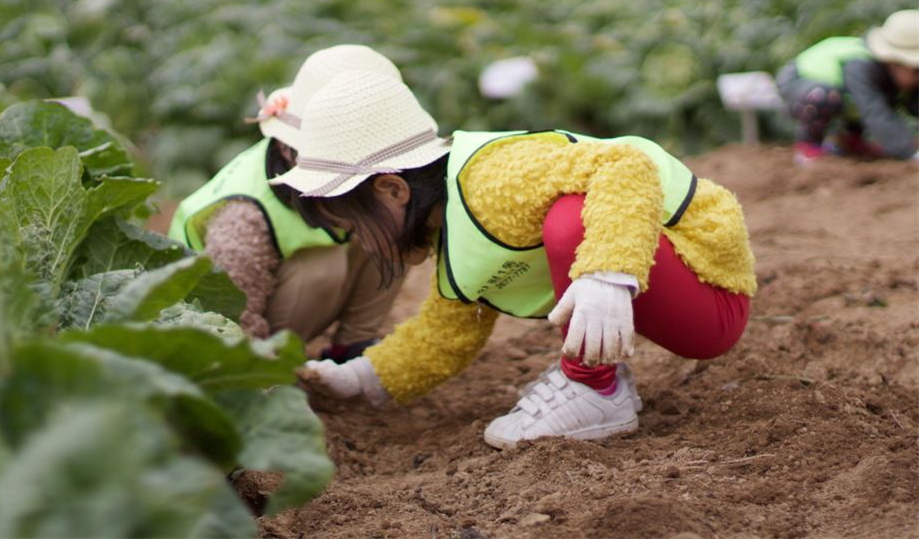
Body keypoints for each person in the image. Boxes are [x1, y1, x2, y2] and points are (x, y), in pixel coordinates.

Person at [278, 70, 757, 449]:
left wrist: (607, 274)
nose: (362, 244)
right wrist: (356, 378)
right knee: (568, 224)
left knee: (571, 219)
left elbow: (624, 164)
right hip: (679, 290)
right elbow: (444, 334)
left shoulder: (494, 180)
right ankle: (601, 383)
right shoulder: (452, 225)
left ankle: (593, 388)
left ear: (392, 190)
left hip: (709, 281)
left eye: (355, 226)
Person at [168, 45, 407, 362]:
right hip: (218, 324)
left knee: (388, 228)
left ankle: (352, 351)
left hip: (285, 294)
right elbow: (231, 318)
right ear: (286, 148)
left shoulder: (348, 188)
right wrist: (262, 374)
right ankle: (279, 361)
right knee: (323, 266)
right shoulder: (243, 216)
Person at [776, 9, 919, 165]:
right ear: (894, 62)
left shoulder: (893, 76)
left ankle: (850, 141)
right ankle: (809, 145)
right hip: (800, 82)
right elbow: (874, 111)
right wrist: (908, 153)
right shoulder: (861, 66)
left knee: (873, 97)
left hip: (846, 94)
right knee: (828, 97)